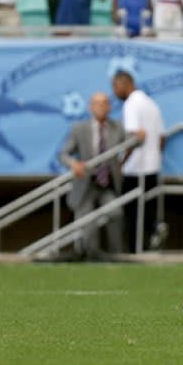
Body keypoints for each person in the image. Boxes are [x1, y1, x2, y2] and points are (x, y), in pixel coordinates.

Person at [58, 91, 125, 260]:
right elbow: (63, 154)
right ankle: (91, 255)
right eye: (97, 103)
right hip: (86, 184)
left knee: (115, 213)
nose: (101, 107)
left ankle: (116, 255)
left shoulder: (117, 128)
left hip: (107, 184)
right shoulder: (79, 129)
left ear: (109, 107)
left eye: (104, 103)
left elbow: (132, 142)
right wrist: (74, 164)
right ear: (90, 107)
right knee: (87, 222)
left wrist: (139, 137)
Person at [111, 70, 166, 253]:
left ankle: (135, 249)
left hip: (135, 167)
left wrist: (122, 162)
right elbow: (161, 138)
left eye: (115, 86)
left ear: (125, 83)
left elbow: (134, 137)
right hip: (153, 165)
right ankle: (153, 231)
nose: (115, 91)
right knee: (147, 209)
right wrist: (155, 155)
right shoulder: (151, 103)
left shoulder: (131, 105)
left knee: (132, 213)